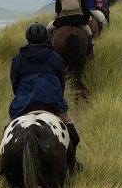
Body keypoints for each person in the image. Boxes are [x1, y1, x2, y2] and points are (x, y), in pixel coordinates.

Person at [9, 23, 80, 169]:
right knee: (72, 131)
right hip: (53, 101)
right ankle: (72, 164)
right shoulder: (56, 57)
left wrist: (22, 97)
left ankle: (5, 165)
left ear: (27, 38)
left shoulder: (18, 59)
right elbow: (62, 82)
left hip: (24, 102)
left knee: (8, 128)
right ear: (45, 38)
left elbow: (14, 83)